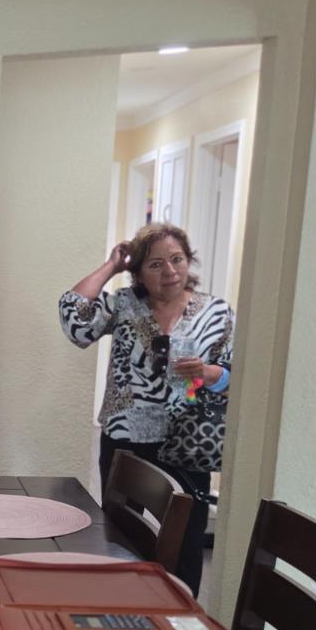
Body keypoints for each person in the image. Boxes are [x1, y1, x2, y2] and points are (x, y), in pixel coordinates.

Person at [59, 222, 234, 595]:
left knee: (185, 542)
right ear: (138, 272)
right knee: (121, 536)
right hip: (126, 439)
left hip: (187, 443)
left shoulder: (216, 313)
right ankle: (121, 606)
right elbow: (74, 321)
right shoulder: (123, 304)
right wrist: (111, 266)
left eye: (177, 260)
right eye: (155, 264)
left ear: (189, 262)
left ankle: (178, 614)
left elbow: (235, 379)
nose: (170, 272)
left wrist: (207, 372)